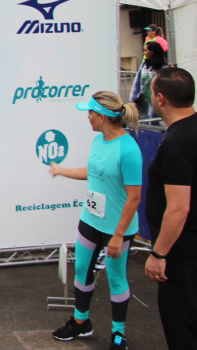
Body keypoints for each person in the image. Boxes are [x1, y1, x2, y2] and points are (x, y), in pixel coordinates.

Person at [49, 92, 142, 349]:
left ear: (102, 116)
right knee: (81, 269)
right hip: (90, 220)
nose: (87, 117)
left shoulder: (129, 150)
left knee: (115, 277)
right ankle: (81, 323)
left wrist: (118, 235)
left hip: (116, 228)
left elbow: (134, 198)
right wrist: (61, 170)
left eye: (90, 112)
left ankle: (118, 332)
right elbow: (92, 173)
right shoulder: (100, 140)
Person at [144, 67, 197, 349]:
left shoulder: (178, 142)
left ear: (161, 99)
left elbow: (178, 209)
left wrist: (158, 254)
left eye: (151, 93)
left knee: (185, 330)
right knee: (196, 323)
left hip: (184, 254)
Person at [130, 40, 165, 119]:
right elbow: (137, 83)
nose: (144, 53)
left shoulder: (164, 67)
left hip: (157, 103)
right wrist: (133, 99)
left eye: (146, 50)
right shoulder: (143, 66)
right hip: (143, 103)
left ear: (152, 52)